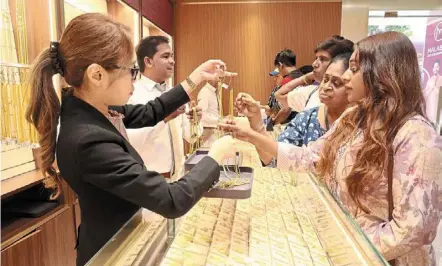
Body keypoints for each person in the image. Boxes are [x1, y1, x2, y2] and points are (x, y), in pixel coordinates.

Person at [25, 13, 236, 266]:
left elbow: (150, 111)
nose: (134, 82)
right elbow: (172, 200)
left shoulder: (93, 109)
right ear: (97, 75)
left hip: (124, 240)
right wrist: (215, 155)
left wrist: (196, 78)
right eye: (131, 71)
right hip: (111, 253)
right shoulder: (88, 139)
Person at [222, 32, 442, 265]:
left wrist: (346, 252)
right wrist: (252, 135)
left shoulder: (416, 135)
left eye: (354, 69)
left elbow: (413, 228)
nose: (347, 76)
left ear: (382, 74)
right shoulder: (355, 118)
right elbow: (309, 157)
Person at [127, 36, 202, 180]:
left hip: (179, 177)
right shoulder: (132, 94)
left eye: (172, 56)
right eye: (166, 56)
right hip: (149, 181)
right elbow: (133, 144)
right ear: (148, 61)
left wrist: (195, 121)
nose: (172, 61)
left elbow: (191, 137)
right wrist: (165, 118)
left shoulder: (174, 93)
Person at [278, 53, 351, 147]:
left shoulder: (361, 125)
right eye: (325, 79)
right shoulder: (307, 118)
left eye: (336, 83)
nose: (326, 87)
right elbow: (279, 154)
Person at [275, 35, 353, 113]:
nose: (314, 64)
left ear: (338, 62)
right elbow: (279, 95)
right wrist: (307, 77)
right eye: (316, 59)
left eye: (322, 59)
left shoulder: (349, 100)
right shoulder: (313, 91)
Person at [270, 49, 304, 125]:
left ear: (281, 65)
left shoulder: (287, 80)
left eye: (278, 68)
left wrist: (272, 123)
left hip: (292, 122)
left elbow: (285, 109)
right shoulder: (303, 78)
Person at [198, 80, 219, 148]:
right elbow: (202, 115)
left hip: (214, 132)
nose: (219, 80)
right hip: (207, 134)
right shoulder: (205, 92)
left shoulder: (213, 92)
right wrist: (219, 120)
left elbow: (213, 112)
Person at [423, 59, 442, 129]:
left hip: (438, 115)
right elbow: (425, 94)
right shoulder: (429, 80)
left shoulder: (441, 79)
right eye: (434, 67)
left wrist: (434, 86)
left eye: (437, 67)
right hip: (429, 114)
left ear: (439, 67)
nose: (435, 69)